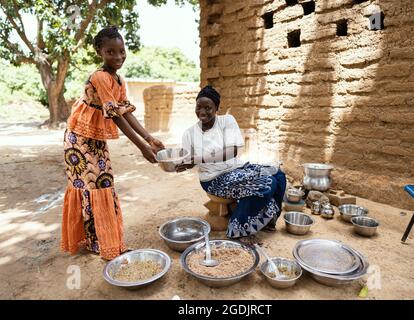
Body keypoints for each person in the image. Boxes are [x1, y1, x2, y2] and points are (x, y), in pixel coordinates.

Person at [61, 26, 165, 260]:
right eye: (110, 52)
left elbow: (125, 111)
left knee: (103, 184)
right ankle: (97, 241)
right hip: (78, 139)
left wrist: (150, 138)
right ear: (100, 52)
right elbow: (115, 116)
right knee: (92, 186)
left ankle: (102, 240)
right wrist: (142, 148)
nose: (118, 57)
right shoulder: (100, 77)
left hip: (94, 138)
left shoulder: (118, 79)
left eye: (121, 51)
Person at [176, 86, 286, 241]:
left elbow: (231, 151)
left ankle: (268, 220)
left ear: (216, 108)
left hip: (236, 168)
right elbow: (190, 160)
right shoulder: (189, 133)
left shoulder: (227, 121)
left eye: (208, 108)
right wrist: (181, 164)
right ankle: (238, 229)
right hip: (213, 179)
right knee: (266, 184)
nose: (202, 112)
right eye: (198, 107)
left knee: (278, 175)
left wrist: (197, 158)